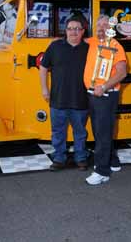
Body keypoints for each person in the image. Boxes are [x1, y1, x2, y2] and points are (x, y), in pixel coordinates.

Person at [39, 16, 90, 171]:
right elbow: (43, 68)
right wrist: (44, 89)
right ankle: (59, 158)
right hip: (58, 99)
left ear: (82, 31)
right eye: (70, 28)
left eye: (77, 28)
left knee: (80, 132)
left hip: (80, 99)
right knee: (58, 131)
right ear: (65, 30)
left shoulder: (89, 49)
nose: (73, 31)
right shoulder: (55, 47)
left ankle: (80, 158)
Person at [83, 15, 128, 185]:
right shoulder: (93, 41)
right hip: (93, 93)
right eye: (98, 24)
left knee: (102, 132)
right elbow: (75, 39)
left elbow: (122, 73)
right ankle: (113, 161)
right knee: (100, 130)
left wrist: (105, 87)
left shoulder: (116, 46)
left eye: (105, 24)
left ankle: (102, 171)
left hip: (106, 95)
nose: (101, 27)